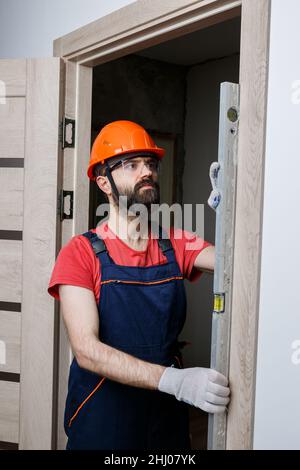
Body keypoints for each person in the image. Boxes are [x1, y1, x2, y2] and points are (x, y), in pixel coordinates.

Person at [48, 120, 230, 450]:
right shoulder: (81, 252)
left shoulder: (174, 242)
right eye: (131, 164)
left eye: (150, 163)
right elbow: (87, 351)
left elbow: (238, 266)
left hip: (164, 419)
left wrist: (234, 211)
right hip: (103, 417)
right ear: (103, 181)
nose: (146, 171)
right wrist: (173, 381)